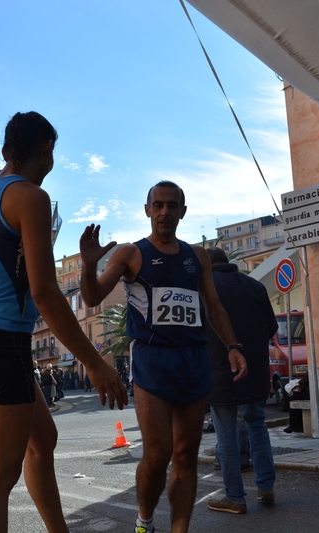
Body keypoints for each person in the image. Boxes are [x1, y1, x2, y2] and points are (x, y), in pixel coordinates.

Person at [0, 111, 127, 533]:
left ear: (8, 151)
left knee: (42, 441)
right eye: (52, 153)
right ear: (46, 150)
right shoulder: (30, 198)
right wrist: (96, 364)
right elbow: (45, 293)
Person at [79, 181, 247, 533]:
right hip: (153, 362)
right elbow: (93, 297)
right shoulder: (130, 254)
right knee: (157, 455)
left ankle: (179, 529)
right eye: (158, 205)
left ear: (182, 212)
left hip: (193, 360)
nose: (164, 212)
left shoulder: (197, 257)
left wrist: (234, 346)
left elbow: (213, 308)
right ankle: (145, 519)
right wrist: (87, 266)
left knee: (186, 455)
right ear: (147, 210)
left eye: (172, 205)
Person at [202, 246, 278, 515]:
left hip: (220, 371)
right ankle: (266, 486)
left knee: (226, 434)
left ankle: (234, 496)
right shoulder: (255, 286)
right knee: (257, 425)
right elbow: (272, 328)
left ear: (207, 266)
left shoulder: (206, 290)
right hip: (255, 370)